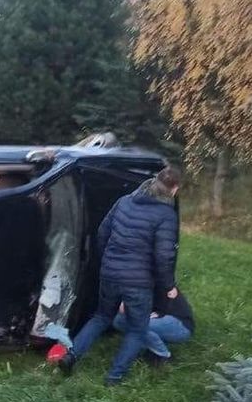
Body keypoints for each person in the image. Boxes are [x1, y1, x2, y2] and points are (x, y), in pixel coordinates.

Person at [57, 165, 182, 385]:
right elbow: (164, 257)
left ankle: (71, 355)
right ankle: (114, 377)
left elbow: (102, 233)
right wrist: (168, 285)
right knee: (137, 329)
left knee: (101, 317)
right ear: (174, 189)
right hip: (138, 281)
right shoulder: (166, 214)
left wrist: (109, 260)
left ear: (153, 182)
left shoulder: (124, 201)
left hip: (110, 273)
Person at [114, 288, 194, 362]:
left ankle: (163, 355)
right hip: (158, 320)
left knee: (136, 324)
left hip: (180, 326)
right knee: (119, 321)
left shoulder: (153, 280)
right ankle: (148, 347)